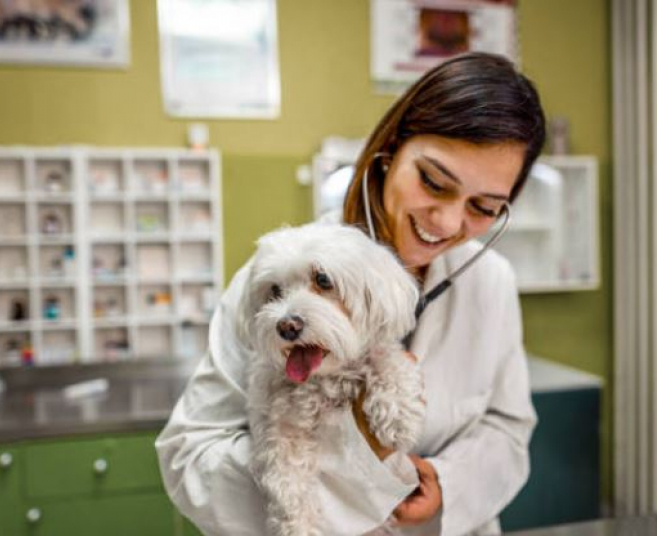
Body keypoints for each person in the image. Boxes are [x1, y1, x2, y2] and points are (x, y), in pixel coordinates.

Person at [156, 52, 546, 536]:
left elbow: (507, 430)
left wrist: (450, 485)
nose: (447, 223)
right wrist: (344, 467)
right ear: (390, 151)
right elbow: (190, 456)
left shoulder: (493, 283)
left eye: (484, 207)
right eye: (433, 181)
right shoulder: (276, 280)